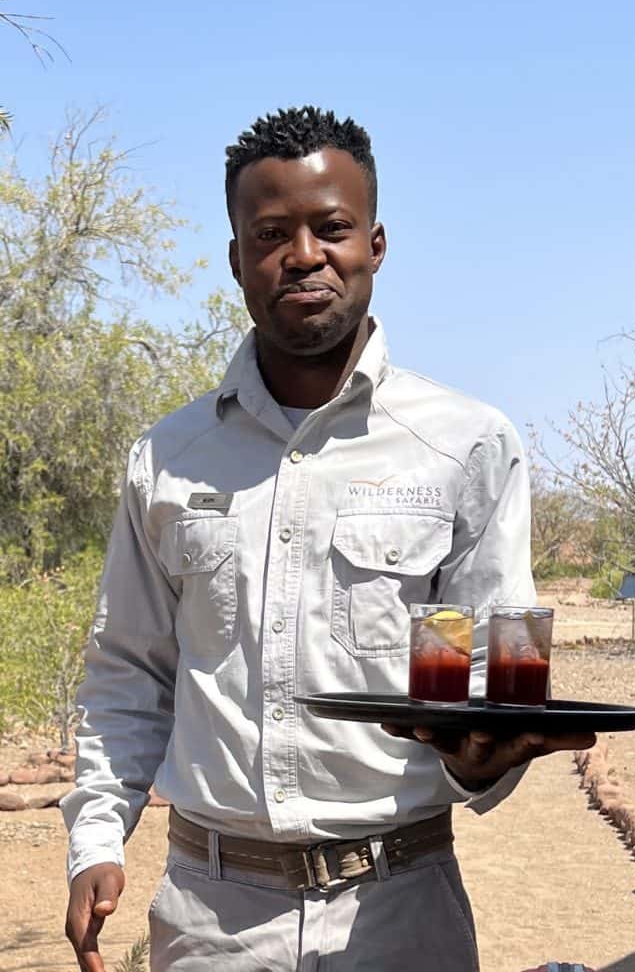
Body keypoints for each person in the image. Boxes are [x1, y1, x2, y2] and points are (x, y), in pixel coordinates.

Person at [63, 106, 595, 971]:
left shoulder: (468, 443)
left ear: (375, 245)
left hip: (400, 910)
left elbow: (497, 674)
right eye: (271, 233)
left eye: (332, 228)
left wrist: (482, 759)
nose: (304, 254)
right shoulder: (166, 458)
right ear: (238, 260)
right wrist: (96, 839)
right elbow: (130, 669)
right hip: (210, 916)